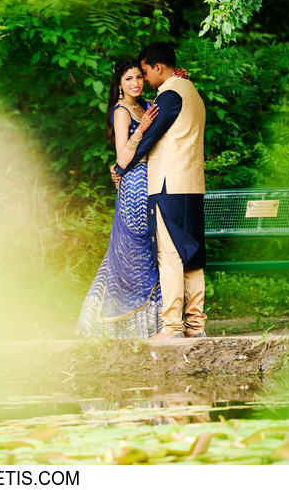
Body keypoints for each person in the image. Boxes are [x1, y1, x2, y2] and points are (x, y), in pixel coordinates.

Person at [75, 59, 187, 339]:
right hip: (135, 188)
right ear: (119, 84)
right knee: (133, 254)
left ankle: (153, 324)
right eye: (129, 79)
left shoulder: (147, 103)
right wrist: (141, 129)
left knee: (153, 252)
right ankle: (118, 325)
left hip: (153, 181)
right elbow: (123, 158)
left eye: (139, 77)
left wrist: (180, 76)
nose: (136, 83)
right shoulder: (122, 111)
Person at [111, 43, 207, 340]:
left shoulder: (170, 95)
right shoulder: (191, 92)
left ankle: (172, 327)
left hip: (168, 185)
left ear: (157, 67)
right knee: (192, 258)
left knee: (169, 256)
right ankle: (196, 326)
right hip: (193, 185)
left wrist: (120, 167)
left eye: (146, 73)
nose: (144, 81)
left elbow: (148, 137)